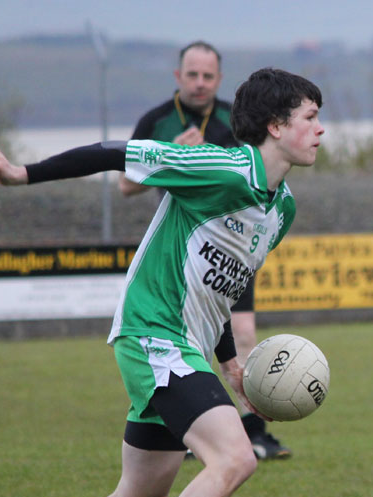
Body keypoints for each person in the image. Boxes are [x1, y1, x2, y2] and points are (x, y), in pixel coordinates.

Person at [0, 67, 324, 497]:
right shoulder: (219, 166)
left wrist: (231, 361)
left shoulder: (281, 209)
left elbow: (222, 284)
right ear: (276, 125)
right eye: (311, 118)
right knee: (235, 458)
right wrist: (22, 173)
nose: (320, 131)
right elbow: (115, 153)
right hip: (152, 334)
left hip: (188, 348)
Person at [119, 41, 291, 460]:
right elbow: (125, 185)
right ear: (178, 76)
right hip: (188, 250)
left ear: (219, 78)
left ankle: (255, 431)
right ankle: (201, 427)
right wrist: (178, 155)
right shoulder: (157, 121)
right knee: (194, 339)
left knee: (244, 335)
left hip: (233, 250)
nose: (200, 83)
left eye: (208, 76)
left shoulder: (237, 122)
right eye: (192, 75)